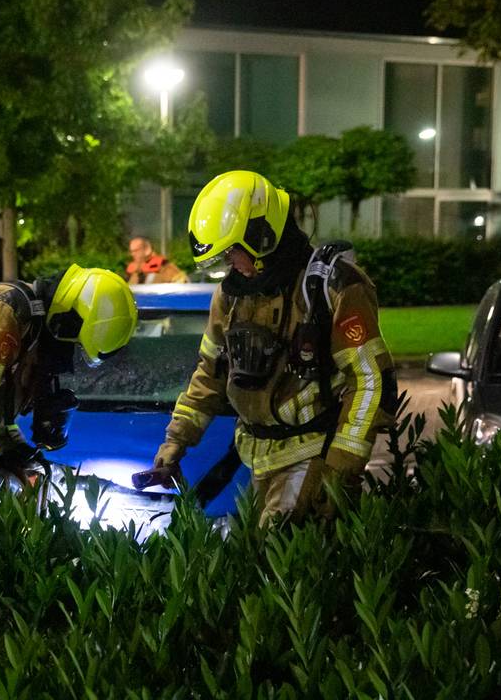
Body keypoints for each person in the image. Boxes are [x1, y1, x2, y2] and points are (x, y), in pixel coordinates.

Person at [138, 170, 395, 523]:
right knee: (255, 552)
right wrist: (175, 443)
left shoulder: (333, 287)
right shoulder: (231, 296)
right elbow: (210, 373)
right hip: (255, 461)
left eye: (232, 252)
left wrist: (340, 467)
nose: (229, 264)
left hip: (312, 455)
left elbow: (371, 380)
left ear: (262, 235)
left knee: (276, 553)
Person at [0, 264, 137, 495]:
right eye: (74, 341)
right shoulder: (7, 309)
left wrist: (13, 446)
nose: (67, 350)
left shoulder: (33, 325)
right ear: (70, 318)